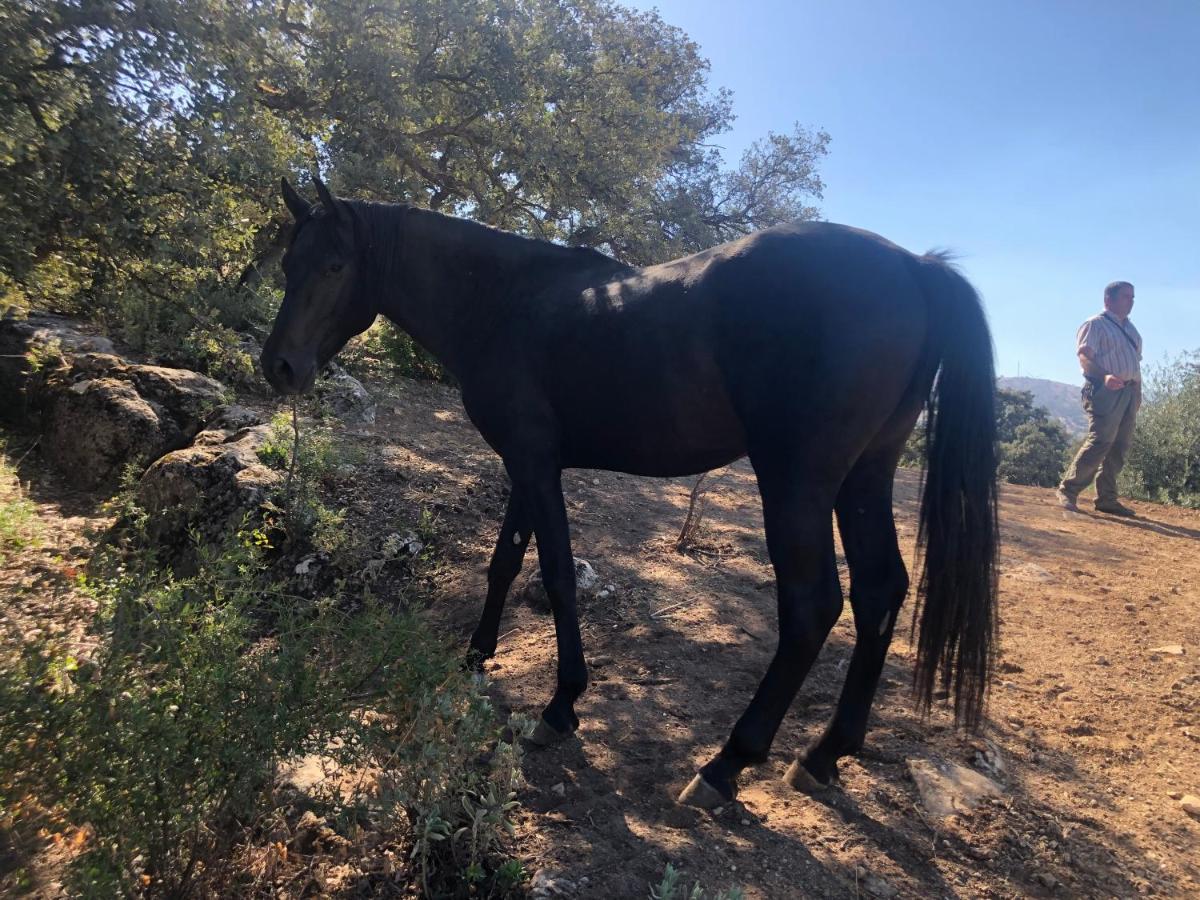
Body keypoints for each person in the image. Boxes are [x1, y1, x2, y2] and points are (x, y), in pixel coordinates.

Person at [1056, 281, 1142, 516]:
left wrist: (1137, 392)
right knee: (1101, 440)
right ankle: (1068, 490)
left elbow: (1135, 364)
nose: (1131, 301)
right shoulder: (1095, 325)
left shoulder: (1132, 331)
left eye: (1133, 297)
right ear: (1108, 300)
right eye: (1126, 296)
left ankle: (1107, 499)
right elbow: (1084, 357)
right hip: (1105, 390)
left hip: (1129, 392)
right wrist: (1104, 376)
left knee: (1120, 445)